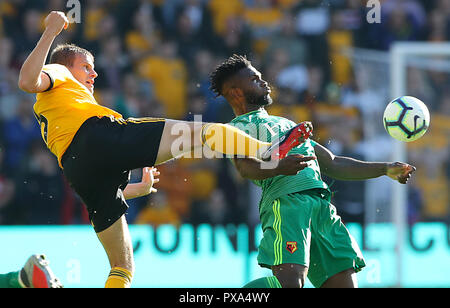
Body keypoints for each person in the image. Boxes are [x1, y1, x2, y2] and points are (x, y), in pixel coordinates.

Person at [17, 11, 303, 288]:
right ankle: (267, 150)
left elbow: (91, 181)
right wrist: (51, 32)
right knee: (206, 132)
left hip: (78, 167)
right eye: (86, 66)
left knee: (122, 267)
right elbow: (26, 81)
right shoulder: (59, 73)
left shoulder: (55, 113)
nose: (94, 73)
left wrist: (132, 190)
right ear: (67, 66)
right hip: (101, 135)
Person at [209, 54, 416, 288]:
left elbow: (333, 162)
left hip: (322, 207)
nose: (265, 83)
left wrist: (385, 169)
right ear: (236, 92)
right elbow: (245, 168)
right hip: (286, 205)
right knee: (290, 285)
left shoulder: (287, 124)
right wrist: (281, 166)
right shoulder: (234, 128)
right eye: (255, 80)